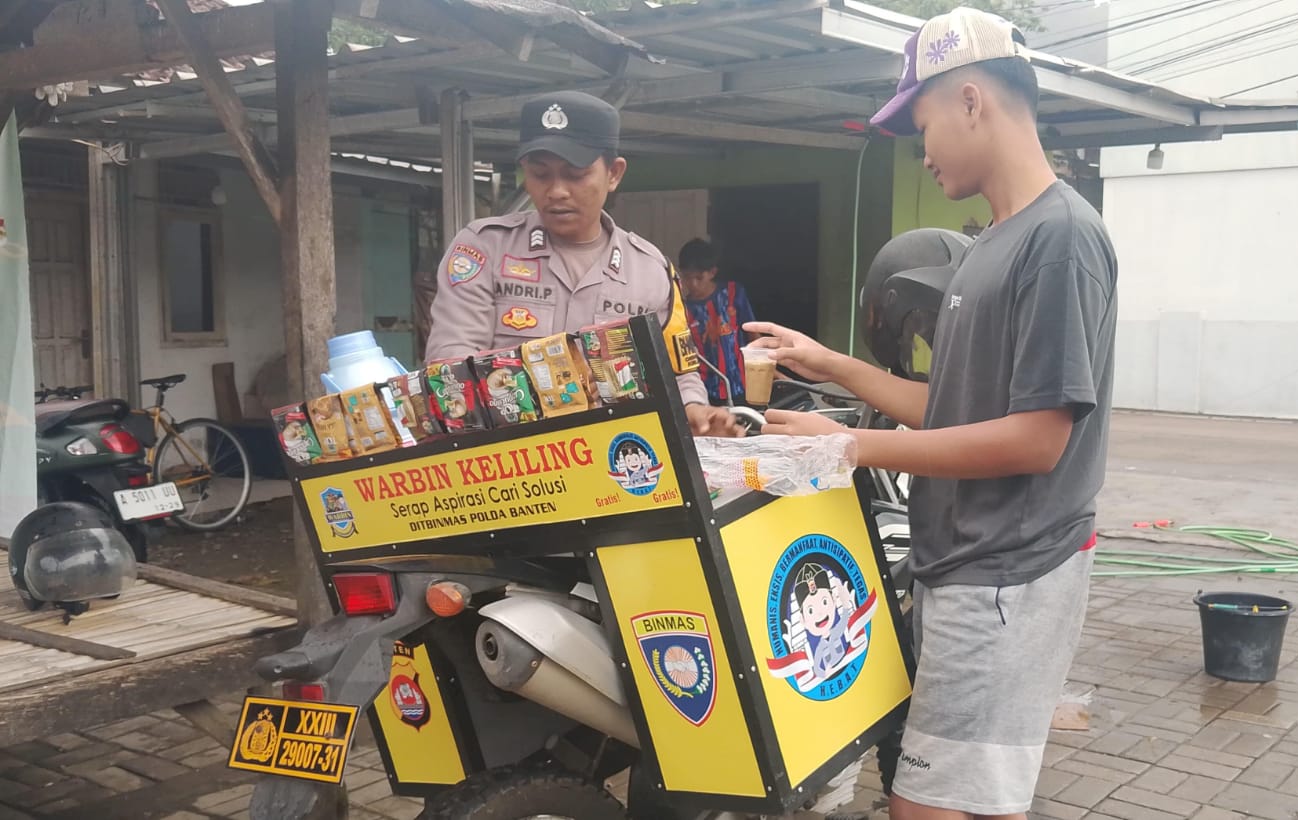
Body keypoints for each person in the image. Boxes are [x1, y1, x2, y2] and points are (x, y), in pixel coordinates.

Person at [748, 8, 1117, 819]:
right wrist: (832, 364)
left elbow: (1036, 440)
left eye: (922, 127)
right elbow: (953, 408)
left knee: (926, 806)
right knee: (965, 799)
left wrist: (848, 445)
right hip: (967, 565)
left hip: (1008, 573)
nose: (923, 153)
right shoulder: (993, 242)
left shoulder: (1060, 240)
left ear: (971, 100)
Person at [425, 91, 739, 437]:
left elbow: (677, 373)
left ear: (614, 174)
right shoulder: (485, 249)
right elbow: (450, 367)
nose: (556, 191)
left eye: (575, 175)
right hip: (508, 459)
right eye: (540, 174)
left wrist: (693, 411)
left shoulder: (650, 270)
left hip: (615, 457)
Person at [677, 238, 760, 403]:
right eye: (687, 277)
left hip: (742, 384)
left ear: (712, 272)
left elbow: (753, 334)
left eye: (699, 277)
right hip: (705, 390)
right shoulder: (682, 310)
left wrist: (762, 370)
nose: (693, 284)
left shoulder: (733, 293)